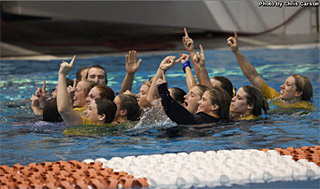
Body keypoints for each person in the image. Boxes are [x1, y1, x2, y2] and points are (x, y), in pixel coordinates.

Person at [227, 31, 313, 106]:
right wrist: (236, 52)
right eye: (284, 83)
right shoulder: (274, 97)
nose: (281, 86)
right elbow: (253, 76)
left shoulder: (305, 108)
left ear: (298, 93)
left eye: (288, 85)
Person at [57, 56, 116, 125]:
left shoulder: (89, 124)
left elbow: (64, 110)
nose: (87, 99)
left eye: (92, 97)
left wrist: (62, 74)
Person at [157, 76, 231, 125]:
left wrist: (163, 90)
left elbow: (175, 112)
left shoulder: (202, 119)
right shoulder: (224, 122)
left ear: (214, 107)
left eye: (204, 100)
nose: (199, 102)